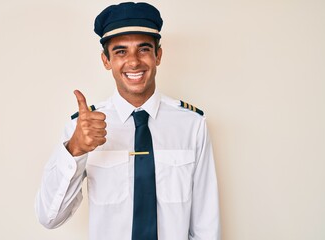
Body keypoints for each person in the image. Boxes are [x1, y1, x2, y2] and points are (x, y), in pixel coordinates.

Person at [35, 2, 220, 240]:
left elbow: (206, 225)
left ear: (158, 55)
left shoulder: (192, 125)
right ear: (106, 60)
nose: (133, 62)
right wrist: (75, 149)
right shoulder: (82, 128)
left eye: (143, 49)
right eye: (120, 51)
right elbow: (49, 218)